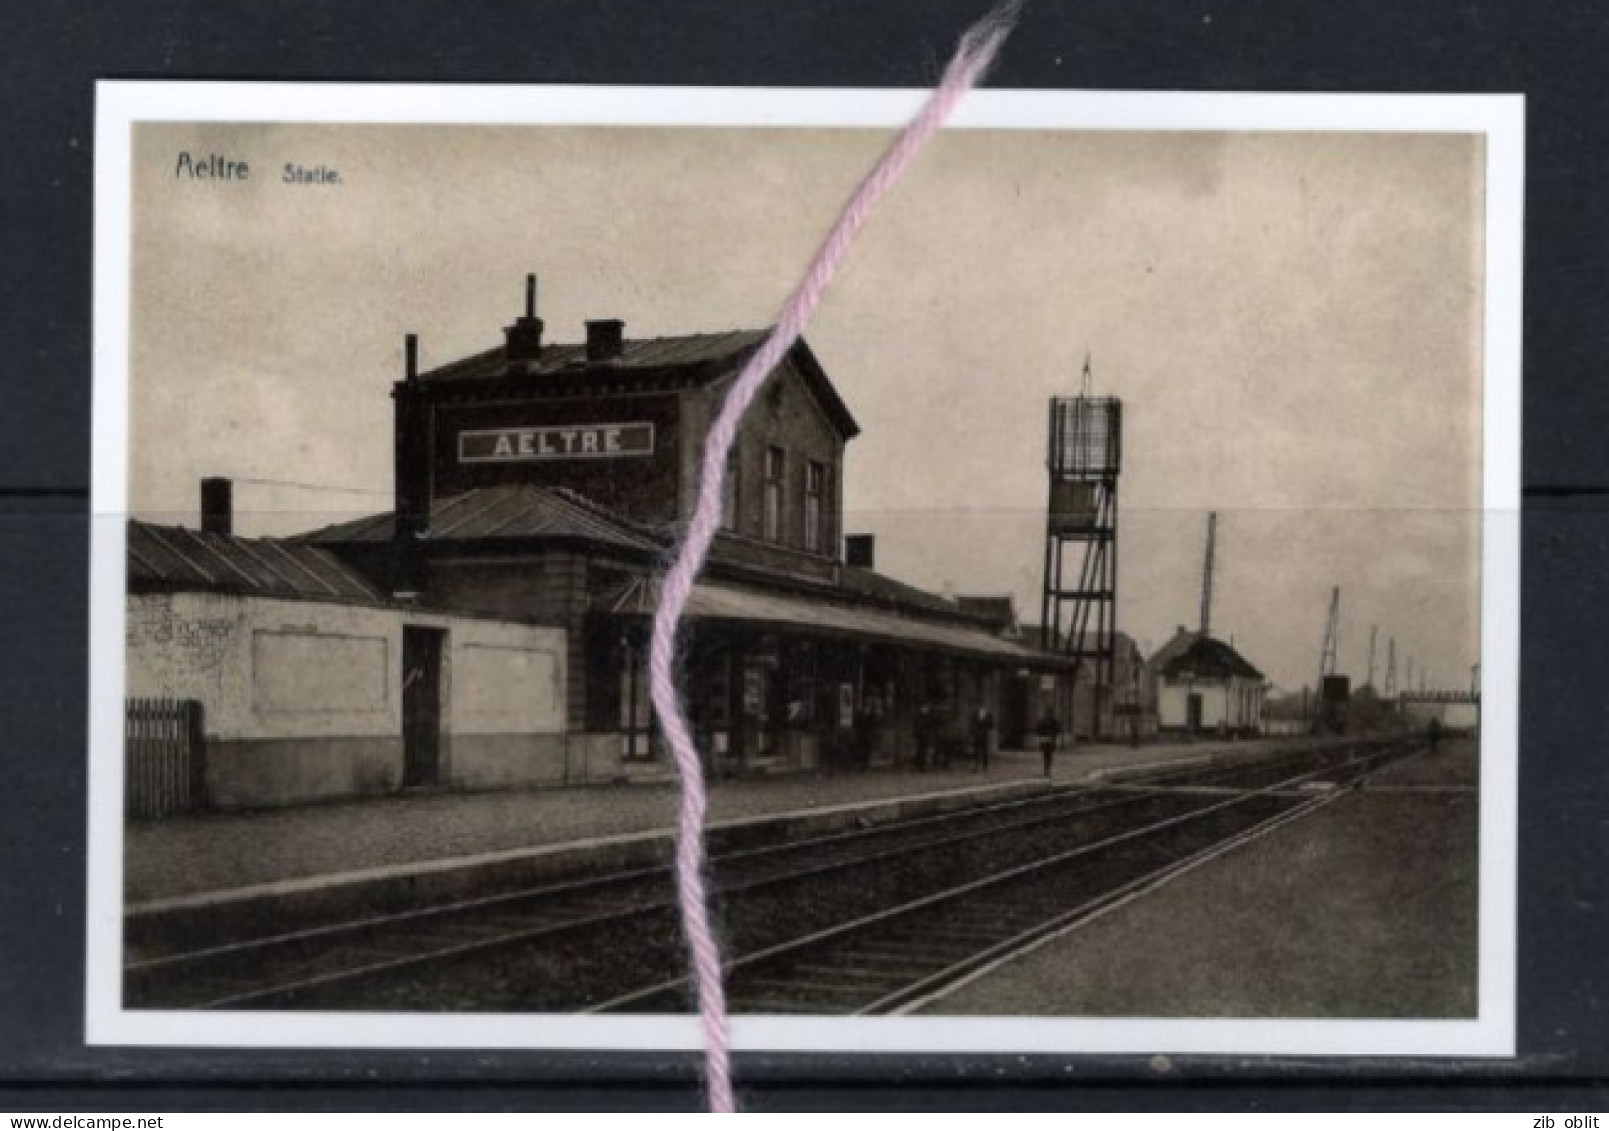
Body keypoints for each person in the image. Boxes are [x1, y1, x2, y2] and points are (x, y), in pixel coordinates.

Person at [1035, 708, 1061, 778]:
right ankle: (1046, 769)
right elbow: (1038, 729)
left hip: (1049, 741)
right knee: (1047, 756)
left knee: (1048, 756)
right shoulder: (1046, 721)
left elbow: (1058, 729)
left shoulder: (1052, 721)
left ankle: (1046, 769)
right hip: (1046, 740)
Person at [969, 705, 995, 772]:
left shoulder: (989, 714)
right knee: (975, 751)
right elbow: (972, 724)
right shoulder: (975, 714)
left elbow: (991, 725)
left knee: (985, 752)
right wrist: (972, 734)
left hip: (985, 736)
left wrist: (987, 731)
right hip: (976, 735)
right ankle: (975, 766)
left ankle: (985, 767)